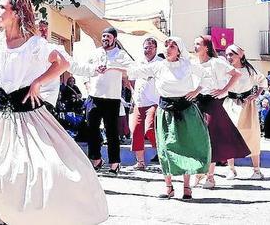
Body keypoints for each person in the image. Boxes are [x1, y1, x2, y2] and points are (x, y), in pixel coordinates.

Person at [0, 0, 108, 224]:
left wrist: (38, 81)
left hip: (25, 114)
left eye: (2, 8)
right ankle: (5, 210)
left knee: (35, 169)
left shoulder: (34, 44)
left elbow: (63, 62)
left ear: (16, 13)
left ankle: (20, 216)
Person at [126, 37, 211, 200]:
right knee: (165, 149)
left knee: (186, 147)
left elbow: (206, 76)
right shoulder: (158, 66)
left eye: (173, 46)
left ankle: (187, 188)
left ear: (179, 50)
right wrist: (120, 62)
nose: (169, 48)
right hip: (165, 110)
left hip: (186, 109)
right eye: (166, 45)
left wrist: (197, 91)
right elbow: (134, 72)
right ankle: (169, 187)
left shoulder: (187, 64)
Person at [70, 27, 133, 174]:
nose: (105, 38)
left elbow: (131, 70)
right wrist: (87, 85)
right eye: (103, 36)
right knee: (91, 129)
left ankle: (114, 163)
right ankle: (96, 159)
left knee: (111, 132)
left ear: (114, 39)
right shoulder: (95, 53)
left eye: (108, 36)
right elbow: (85, 70)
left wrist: (113, 67)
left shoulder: (121, 55)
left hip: (112, 98)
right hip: (94, 97)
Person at [192, 36, 250, 189]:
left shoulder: (216, 62)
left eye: (198, 44)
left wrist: (224, 89)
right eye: (194, 44)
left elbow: (236, 74)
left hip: (212, 103)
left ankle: (210, 177)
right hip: (197, 103)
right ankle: (199, 172)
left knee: (211, 140)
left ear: (207, 47)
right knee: (197, 139)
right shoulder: (193, 63)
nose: (195, 46)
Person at [223, 45, 267, 180]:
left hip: (247, 105)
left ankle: (257, 170)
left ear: (240, 55)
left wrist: (256, 95)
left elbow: (262, 82)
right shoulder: (225, 70)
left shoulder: (249, 70)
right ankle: (231, 169)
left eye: (232, 54)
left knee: (251, 135)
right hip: (230, 103)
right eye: (227, 54)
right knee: (229, 135)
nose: (229, 57)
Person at [129, 38, 162, 170]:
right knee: (136, 131)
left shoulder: (160, 63)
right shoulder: (138, 62)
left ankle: (162, 154)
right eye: (146, 48)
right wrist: (133, 93)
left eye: (150, 48)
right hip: (139, 102)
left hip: (154, 102)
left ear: (155, 49)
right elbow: (130, 79)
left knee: (150, 129)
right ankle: (140, 162)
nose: (147, 50)